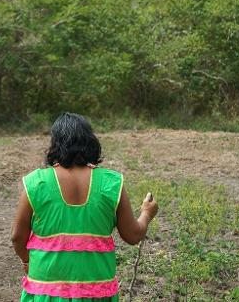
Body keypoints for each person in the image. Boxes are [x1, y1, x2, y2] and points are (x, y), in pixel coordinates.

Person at [11, 112, 159, 301]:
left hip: (45, 290)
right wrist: (147, 213)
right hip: (96, 291)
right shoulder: (111, 183)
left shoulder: (36, 183)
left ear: (54, 144)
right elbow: (133, 235)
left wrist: (26, 260)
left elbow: (17, 237)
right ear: (90, 142)